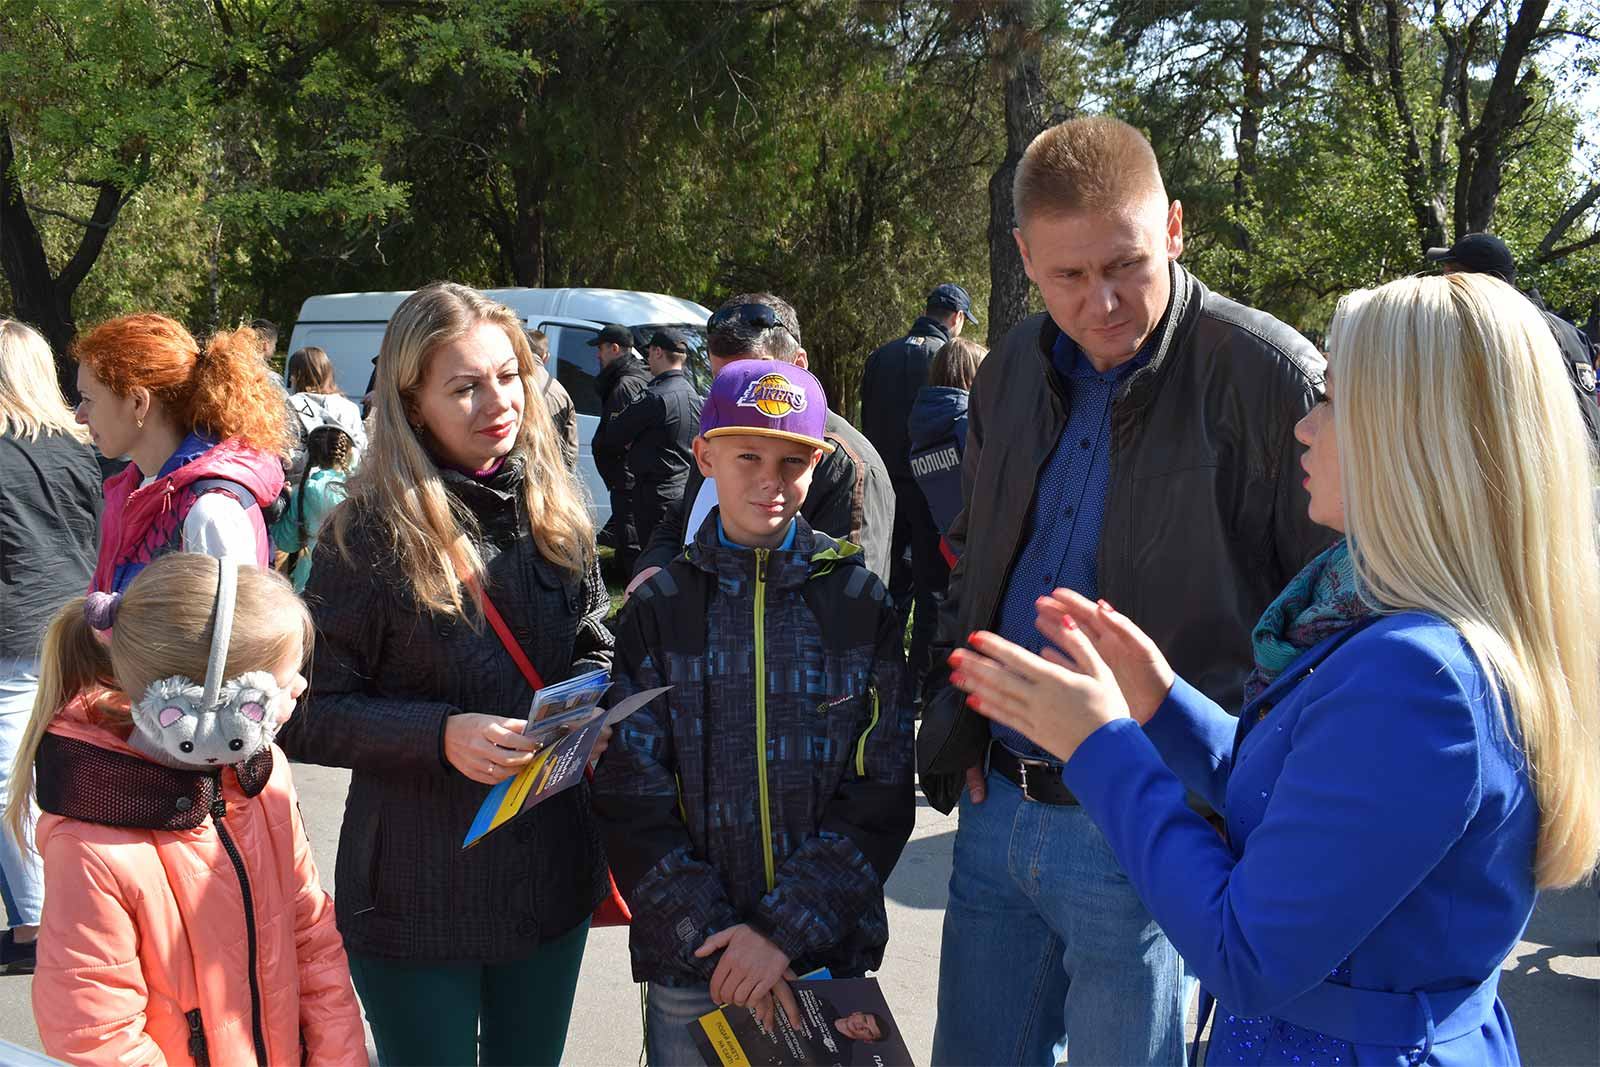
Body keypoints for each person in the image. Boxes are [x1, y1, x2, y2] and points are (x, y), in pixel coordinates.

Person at [949, 272, 1600, 1065]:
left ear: (1417, 439)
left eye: (1332, 398)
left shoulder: (1420, 678)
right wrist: (1162, 705)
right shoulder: (1409, 629)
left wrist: (1101, 745)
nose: (1305, 426)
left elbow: (1247, 949)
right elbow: (1301, 809)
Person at [920, 116, 1333, 1066]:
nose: (1102, 302)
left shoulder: (1273, 378)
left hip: (1155, 825)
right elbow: (973, 554)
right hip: (997, 807)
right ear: (1024, 257)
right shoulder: (1012, 367)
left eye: (1127, 264)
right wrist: (954, 710)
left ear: (1176, 228)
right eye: (1068, 276)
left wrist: (1229, 801)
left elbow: (1335, 625)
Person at [276, 282, 613, 1067]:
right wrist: (439, 734)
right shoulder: (365, 533)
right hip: (417, 895)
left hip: (548, 879)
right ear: (412, 400)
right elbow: (302, 710)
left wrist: (592, 699)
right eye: (464, 386)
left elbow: (596, 635)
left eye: (508, 376)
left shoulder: (551, 499)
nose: (496, 402)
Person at [593, 359, 915, 1067]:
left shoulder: (860, 604)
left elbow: (882, 792)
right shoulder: (657, 609)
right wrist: (716, 936)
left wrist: (779, 933)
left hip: (825, 962)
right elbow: (630, 793)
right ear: (705, 455)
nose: (770, 479)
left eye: (792, 460)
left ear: (819, 463)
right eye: (747, 456)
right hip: (697, 967)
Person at [6, 553, 366, 1066]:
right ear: (201, 713)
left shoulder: (262, 776)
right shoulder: (91, 846)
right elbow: (98, 1035)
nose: (301, 689)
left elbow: (310, 935)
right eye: (281, 685)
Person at [630, 294, 893, 590]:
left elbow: (851, 603)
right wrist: (653, 567)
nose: (738, 400)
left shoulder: (849, 466)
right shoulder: (720, 431)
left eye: (757, 381)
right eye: (723, 382)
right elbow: (682, 517)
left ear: (799, 365)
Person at [0, 319, 102, 977]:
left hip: (14, 631)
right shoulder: (82, 447)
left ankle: (40, 919)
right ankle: (66, 910)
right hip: (79, 623)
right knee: (68, 771)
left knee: (11, 777)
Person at [73, 314, 290, 595]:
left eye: (88, 399)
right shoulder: (136, 488)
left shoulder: (210, 513)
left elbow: (233, 637)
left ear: (138, 403)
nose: (79, 415)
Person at [860, 283, 977, 695]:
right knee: (932, 592)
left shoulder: (881, 357)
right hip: (932, 491)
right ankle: (920, 686)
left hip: (884, 491)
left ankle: (881, 678)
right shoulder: (947, 358)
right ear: (957, 318)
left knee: (889, 586)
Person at [1425, 232, 1600, 454]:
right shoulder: (1568, 332)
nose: (1444, 280)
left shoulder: (1493, 335)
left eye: (1451, 272)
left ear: (1477, 281)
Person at [592, 327, 704, 553]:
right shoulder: (694, 395)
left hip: (653, 495)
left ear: (658, 352)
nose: (647, 359)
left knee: (650, 558)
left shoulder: (655, 396)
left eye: (650, 353)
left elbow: (614, 435)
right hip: (683, 489)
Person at [907, 337, 988, 539]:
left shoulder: (919, 438)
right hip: (990, 545)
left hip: (955, 550)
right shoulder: (971, 424)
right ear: (973, 378)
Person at [271, 411, 360, 592]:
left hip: (309, 581)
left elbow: (286, 542)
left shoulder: (304, 490)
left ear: (312, 454)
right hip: (352, 585)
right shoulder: (357, 491)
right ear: (349, 452)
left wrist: (285, 498)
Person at [591, 322, 651, 572]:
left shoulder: (624, 385)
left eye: (601, 348)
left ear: (615, 348)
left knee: (631, 545)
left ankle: (635, 602)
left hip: (627, 480)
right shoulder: (639, 376)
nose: (597, 355)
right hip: (632, 477)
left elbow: (620, 437)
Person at [286, 344, 368, 459]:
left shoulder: (292, 405)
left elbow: (289, 451)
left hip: (304, 474)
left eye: (292, 374)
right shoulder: (349, 408)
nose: (290, 379)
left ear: (297, 375)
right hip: (345, 473)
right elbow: (361, 448)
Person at [526, 328, 579, 471]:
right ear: (546, 357)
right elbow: (569, 451)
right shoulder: (560, 393)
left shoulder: (503, 382)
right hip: (546, 474)